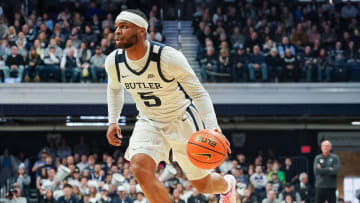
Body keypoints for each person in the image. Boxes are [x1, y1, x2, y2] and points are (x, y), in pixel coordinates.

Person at [105, 9, 235, 203]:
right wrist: (112, 121)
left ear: (141, 31)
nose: (117, 31)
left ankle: (227, 187)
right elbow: (114, 89)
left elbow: (198, 93)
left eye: (124, 26)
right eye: (116, 27)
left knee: (202, 184)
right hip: (148, 121)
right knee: (139, 168)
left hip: (182, 119)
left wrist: (213, 128)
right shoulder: (114, 61)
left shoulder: (167, 57)